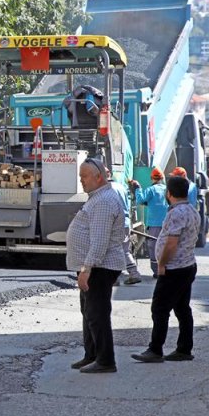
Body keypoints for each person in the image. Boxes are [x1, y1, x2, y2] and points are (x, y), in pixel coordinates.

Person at [66, 156, 126, 374]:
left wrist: (86, 268)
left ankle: (105, 360)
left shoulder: (104, 201)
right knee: (88, 311)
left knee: (96, 313)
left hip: (100, 267)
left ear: (98, 177)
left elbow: (99, 241)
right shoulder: (97, 197)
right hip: (94, 265)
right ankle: (91, 355)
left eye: (84, 176)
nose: (81, 180)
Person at [131, 176, 199, 363]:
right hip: (187, 265)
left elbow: (171, 243)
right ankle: (184, 349)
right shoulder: (192, 211)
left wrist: (161, 264)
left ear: (169, 193)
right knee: (182, 309)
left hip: (174, 268)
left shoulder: (176, 213)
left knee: (159, 308)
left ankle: (155, 350)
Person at [131, 167, 169, 278]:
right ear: (162, 178)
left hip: (154, 224)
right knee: (164, 246)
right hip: (167, 224)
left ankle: (157, 271)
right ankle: (166, 269)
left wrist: (138, 188)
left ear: (152, 178)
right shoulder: (167, 189)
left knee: (153, 246)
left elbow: (140, 200)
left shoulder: (151, 190)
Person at [107, 168, 143, 285]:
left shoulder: (107, 189)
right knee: (124, 250)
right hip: (125, 222)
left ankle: (114, 278)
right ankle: (134, 273)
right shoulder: (120, 187)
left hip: (114, 223)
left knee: (112, 251)